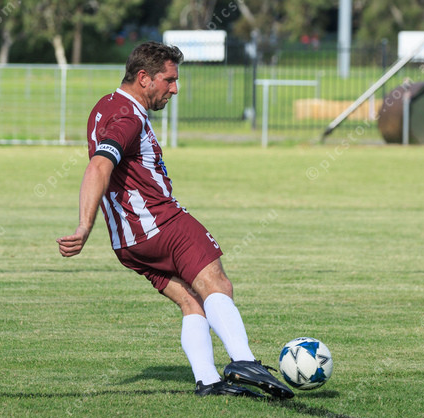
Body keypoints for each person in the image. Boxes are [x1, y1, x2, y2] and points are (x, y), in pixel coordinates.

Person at [56, 41, 293, 399]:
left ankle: (208, 381)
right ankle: (244, 361)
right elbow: (99, 166)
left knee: (192, 301)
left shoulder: (104, 106)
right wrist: (84, 225)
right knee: (216, 284)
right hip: (160, 223)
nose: (175, 88)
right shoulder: (128, 116)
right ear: (144, 78)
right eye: (169, 80)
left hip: (127, 242)